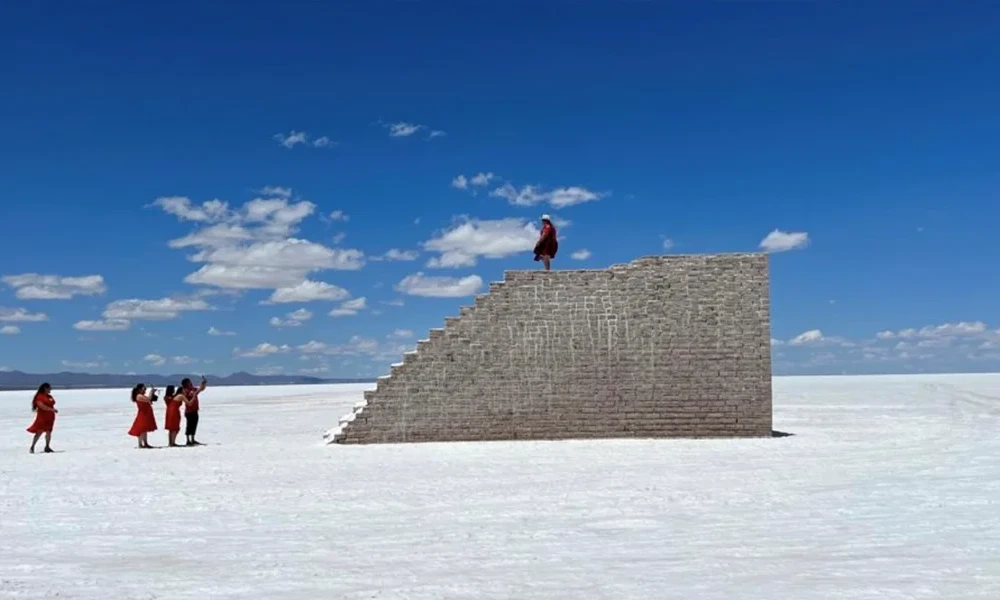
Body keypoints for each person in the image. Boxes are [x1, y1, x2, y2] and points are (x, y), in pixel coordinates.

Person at [26, 382, 58, 454]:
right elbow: (41, 406)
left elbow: (52, 403)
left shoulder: (50, 397)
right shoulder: (39, 396)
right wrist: (51, 409)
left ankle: (47, 446)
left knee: (49, 432)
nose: (50, 389)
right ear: (45, 388)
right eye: (49, 388)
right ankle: (32, 446)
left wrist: (52, 410)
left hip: (50, 417)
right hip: (42, 417)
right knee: (39, 432)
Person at [127, 383, 158, 449]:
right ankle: (140, 444)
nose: (145, 389)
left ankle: (145, 443)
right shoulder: (139, 396)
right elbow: (149, 399)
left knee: (144, 429)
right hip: (143, 414)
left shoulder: (141, 395)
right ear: (140, 389)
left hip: (145, 414)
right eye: (144, 388)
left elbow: (149, 400)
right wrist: (151, 391)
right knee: (141, 429)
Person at [180, 376, 207, 446]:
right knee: (189, 426)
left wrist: (203, 384)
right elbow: (194, 392)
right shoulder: (185, 390)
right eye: (189, 382)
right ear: (186, 384)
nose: (191, 383)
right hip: (189, 411)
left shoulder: (192, 389)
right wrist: (199, 388)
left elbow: (200, 389)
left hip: (195, 410)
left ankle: (192, 439)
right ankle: (188, 440)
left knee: (194, 425)